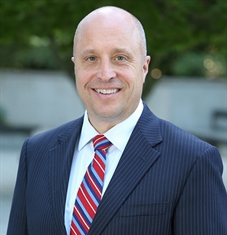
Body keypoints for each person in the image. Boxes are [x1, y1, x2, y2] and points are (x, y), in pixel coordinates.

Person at [7, 6, 227, 235]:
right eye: (91, 58)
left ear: (144, 67)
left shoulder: (193, 161)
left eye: (120, 58)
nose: (105, 74)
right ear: (76, 66)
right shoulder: (36, 153)